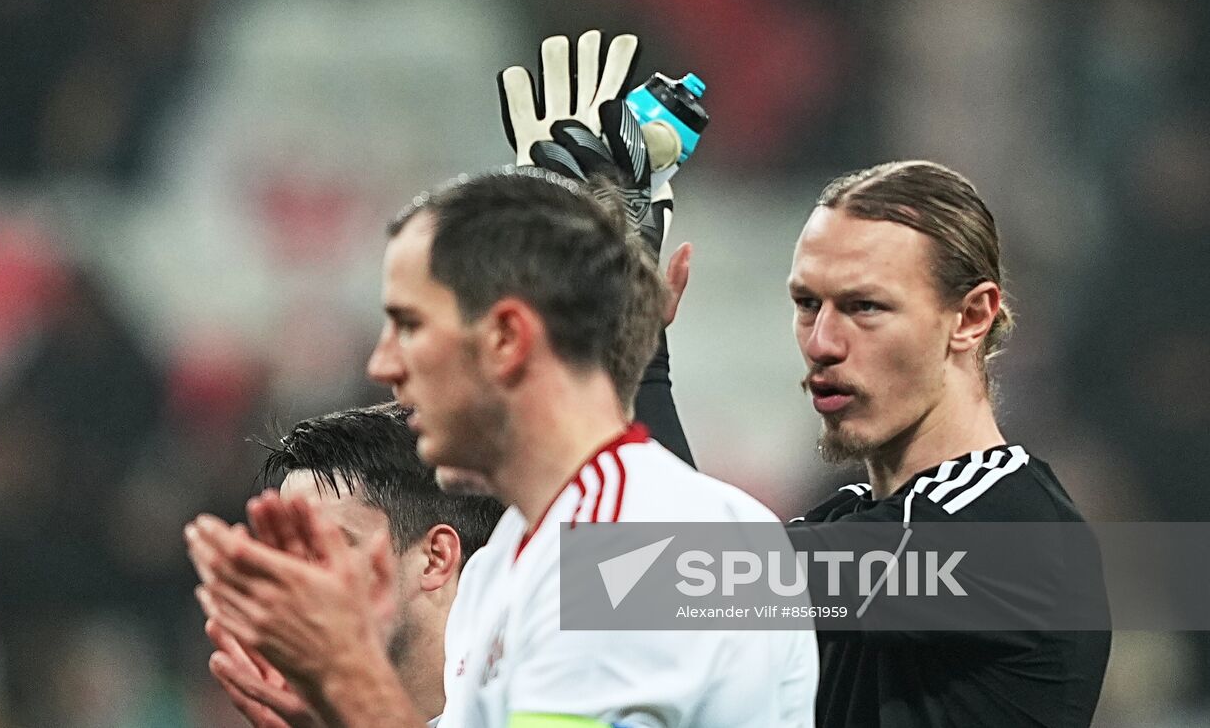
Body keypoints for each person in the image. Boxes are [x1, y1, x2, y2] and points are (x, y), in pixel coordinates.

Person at [187, 168, 818, 727]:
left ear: (506, 338)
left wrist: (351, 687)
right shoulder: (504, 562)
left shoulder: (636, 548)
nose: (383, 362)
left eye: (410, 325)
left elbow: (907, 578)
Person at [783, 160, 1110, 726]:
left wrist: (623, 330)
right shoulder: (850, 517)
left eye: (865, 307)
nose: (822, 342)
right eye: (808, 303)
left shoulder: (1009, 534)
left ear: (970, 316)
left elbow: (657, 582)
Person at [202, 402, 503, 726]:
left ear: (435, 558)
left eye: (324, 548)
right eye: (285, 553)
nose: (296, 580)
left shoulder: (538, 666)